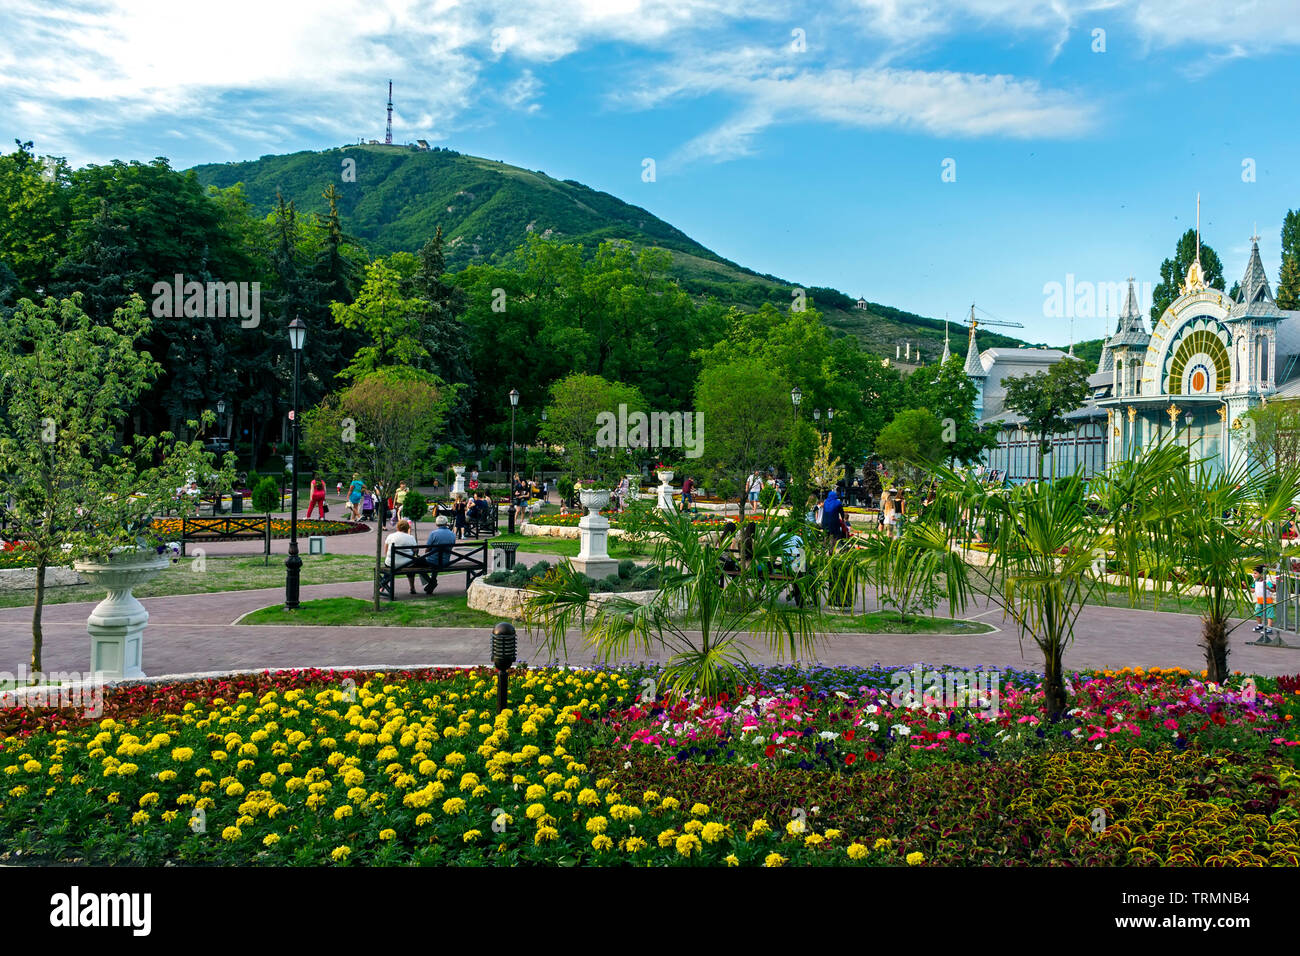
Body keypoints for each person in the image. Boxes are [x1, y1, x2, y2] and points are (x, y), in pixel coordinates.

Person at [417, 515, 458, 593]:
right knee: (435, 561)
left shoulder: (433, 534)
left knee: (418, 563)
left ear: (436, 524)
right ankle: (432, 582)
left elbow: (427, 549)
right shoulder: (452, 534)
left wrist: (427, 553)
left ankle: (431, 582)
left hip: (433, 561)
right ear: (446, 523)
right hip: (445, 561)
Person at [383, 519, 421, 594]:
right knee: (411, 566)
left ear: (397, 527)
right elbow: (416, 550)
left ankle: (383, 585)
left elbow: (386, 551)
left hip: (391, 563)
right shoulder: (411, 537)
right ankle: (412, 587)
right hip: (407, 564)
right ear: (407, 528)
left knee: (388, 564)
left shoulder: (390, 536)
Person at [1253, 565, 1276, 637]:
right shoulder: (1255, 582)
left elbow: (1273, 590)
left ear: (1261, 574)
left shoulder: (1267, 582)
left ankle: (1269, 628)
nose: (1254, 575)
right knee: (1257, 613)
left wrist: (1268, 588)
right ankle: (1260, 625)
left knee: (1269, 615)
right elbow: (1252, 590)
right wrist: (1245, 586)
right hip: (1259, 601)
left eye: (1255, 573)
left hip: (1268, 601)